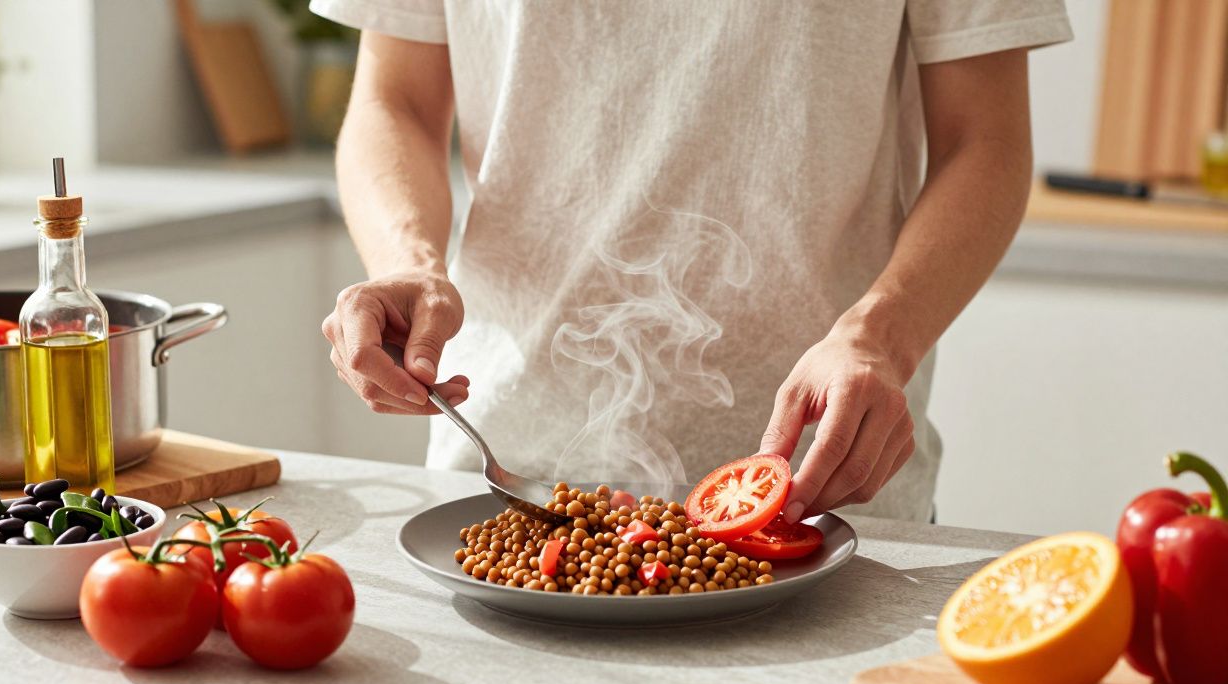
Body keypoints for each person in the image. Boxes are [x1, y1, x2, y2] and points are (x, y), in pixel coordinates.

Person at [315, 1, 1072, 523]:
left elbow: (986, 141)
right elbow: (396, 100)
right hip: (504, 474)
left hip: (823, 491)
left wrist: (881, 336)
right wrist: (407, 259)